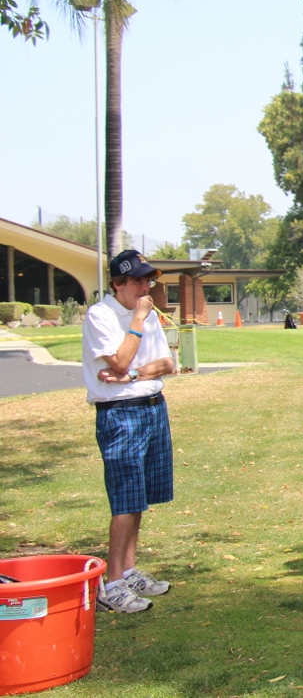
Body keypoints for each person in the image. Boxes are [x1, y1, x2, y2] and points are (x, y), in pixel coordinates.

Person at [82, 250, 177, 614]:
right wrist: (137, 322)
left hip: (151, 407)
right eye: (137, 280)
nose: (144, 287)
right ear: (117, 283)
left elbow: (167, 363)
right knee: (124, 498)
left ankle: (129, 570)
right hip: (120, 413)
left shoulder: (146, 312)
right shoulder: (102, 315)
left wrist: (134, 374)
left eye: (147, 280)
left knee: (139, 497)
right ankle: (112, 585)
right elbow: (118, 360)